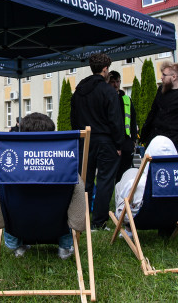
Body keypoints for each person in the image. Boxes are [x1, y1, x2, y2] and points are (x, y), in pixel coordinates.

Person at [1, 112, 78, 260]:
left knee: (3, 190)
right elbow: (79, 201)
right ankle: (65, 246)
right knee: (74, 190)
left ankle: (16, 245)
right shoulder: (65, 165)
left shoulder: (9, 166)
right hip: (57, 224)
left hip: (19, 224)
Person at [70, 53, 123, 231]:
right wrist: (119, 144)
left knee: (84, 181)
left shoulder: (79, 91)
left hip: (84, 140)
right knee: (105, 181)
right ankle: (98, 222)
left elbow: (73, 118)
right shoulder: (108, 91)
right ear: (105, 69)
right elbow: (116, 121)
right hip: (106, 140)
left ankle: (82, 220)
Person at [114, 136, 178, 223]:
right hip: (172, 215)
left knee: (123, 181)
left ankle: (129, 230)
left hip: (138, 218)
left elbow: (123, 195)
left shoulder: (140, 182)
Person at [139, 61, 178, 155]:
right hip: (154, 139)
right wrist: (145, 135)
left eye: (164, 75)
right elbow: (153, 112)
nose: (161, 77)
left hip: (172, 142)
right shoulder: (161, 90)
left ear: (174, 77)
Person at [108, 70, 138, 181]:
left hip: (126, 141)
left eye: (118, 82)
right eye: (113, 82)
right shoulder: (107, 98)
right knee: (112, 174)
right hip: (112, 141)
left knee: (125, 173)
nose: (116, 85)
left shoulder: (126, 99)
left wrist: (133, 140)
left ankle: (123, 195)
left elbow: (133, 120)